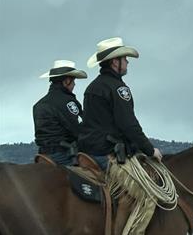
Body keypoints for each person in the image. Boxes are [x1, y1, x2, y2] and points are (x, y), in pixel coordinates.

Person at [78, 37, 162, 170]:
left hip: (89, 150)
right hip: (108, 151)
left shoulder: (92, 87)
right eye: (124, 58)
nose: (127, 62)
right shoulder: (118, 89)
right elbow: (128, 124)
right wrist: (150, 150)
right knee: (146, 188)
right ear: (115, 62)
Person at [33, 60, 87, 165]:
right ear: (67, 81)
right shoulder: (68, 102)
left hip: (43, 154)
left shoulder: (38, 104)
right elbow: (78, 130)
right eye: (73, 80)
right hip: (64, 154)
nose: (74, 84)